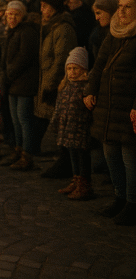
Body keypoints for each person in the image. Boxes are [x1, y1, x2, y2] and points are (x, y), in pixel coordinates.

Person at [84, 0, 136, 225]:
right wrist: (90, 90)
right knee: (111, 154)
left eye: (128, 7)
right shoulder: (113, 32)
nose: (122, 11)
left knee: (129, 157)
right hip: (107, 104)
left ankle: (132, 204)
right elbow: (99, 64)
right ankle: (119, 197)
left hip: (128, 105)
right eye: (120, 6)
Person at [36, 0, 78, 177]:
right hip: (49, 81)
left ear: (54, 8)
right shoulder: (50, 26)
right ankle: (63, 161)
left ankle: (66, 164)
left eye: (45, 6)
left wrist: (50, 85)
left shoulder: (62, 28)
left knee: (61, 125)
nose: (42, 10)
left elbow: (60, 60)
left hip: (58, 85)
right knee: (57, 125)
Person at [0, 1, 40, 169]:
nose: (12, 17)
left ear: (22, 15)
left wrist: (9, 73)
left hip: (24, 81)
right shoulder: (12, 31)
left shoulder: (27, 31)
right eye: (9, 14)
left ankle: (27, 155)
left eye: (15, 14)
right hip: (13, 81)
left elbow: (24, 56)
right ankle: (17, 150)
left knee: (24, 119)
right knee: (15, 120)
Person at [51, 47, 94, 200]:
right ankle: (75, 180)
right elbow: (59, 107)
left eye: (75, 68)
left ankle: (84, 183)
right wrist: (55, 123)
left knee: (82, 157)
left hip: (81, 129)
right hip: (67, 129)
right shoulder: (66, 87)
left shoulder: (86, 87)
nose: (72, 72)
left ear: (84, 69)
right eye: (69, 68)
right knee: (73, 156)